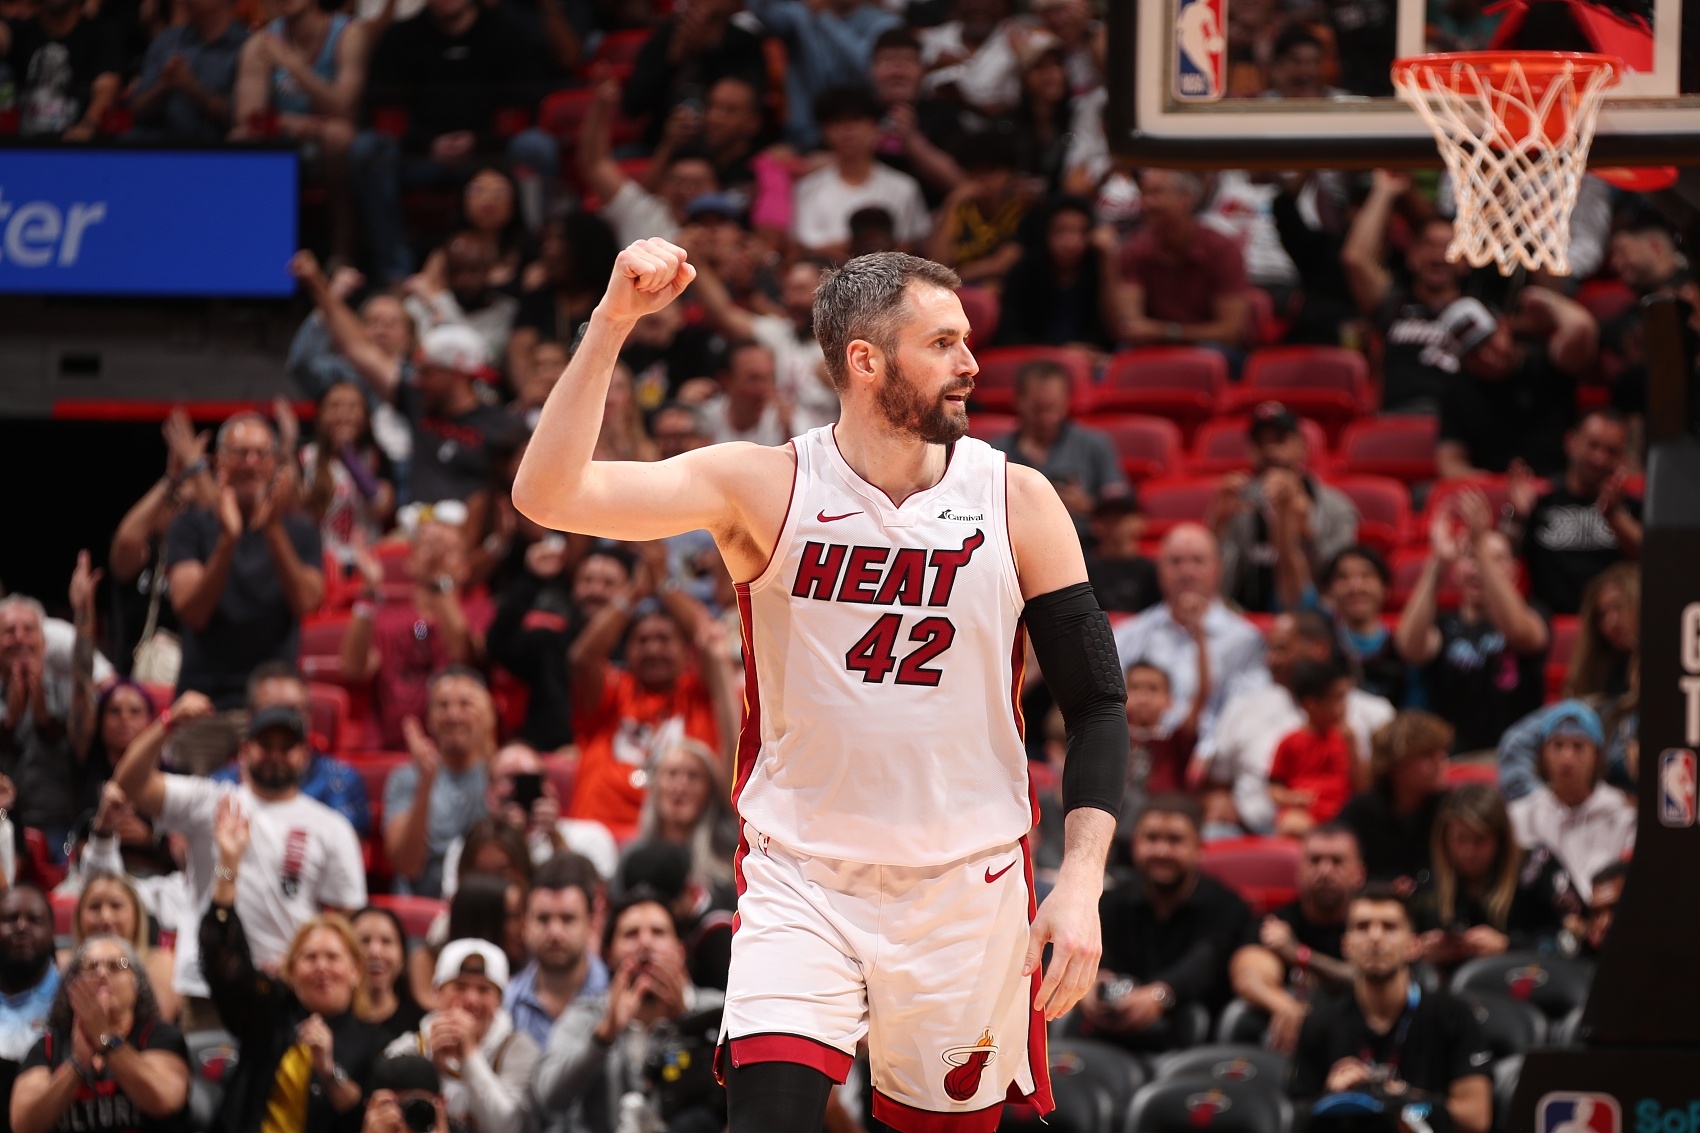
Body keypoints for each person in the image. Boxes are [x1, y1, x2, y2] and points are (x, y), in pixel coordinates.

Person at [512, 240, 1127, 1129]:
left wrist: (1081, 884)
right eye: (943, 343)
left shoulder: (1018, 500)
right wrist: (612, 321)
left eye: (965, 340)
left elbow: (1098, 701)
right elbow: (548, 493)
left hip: (967, 885)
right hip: (802, 878)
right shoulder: (766, 487)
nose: (971, 363)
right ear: (866, 361)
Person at [113, 697, 367, 1015]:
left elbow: (348, 915)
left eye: (286, 747)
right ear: (245, 750)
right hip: (206, 984)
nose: (275, 755)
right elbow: (129, 782)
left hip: (288, 988)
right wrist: (168, 723)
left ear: (304, 755)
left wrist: (304, 959)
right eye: (265, 745)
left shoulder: (331, 826)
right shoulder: (209, 800)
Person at [200, 799, 384, 1132]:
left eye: (333, 957)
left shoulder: (375, 1042)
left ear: (356, 971)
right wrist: (228, 863)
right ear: (292, 972)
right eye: (310, 958)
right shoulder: (267, 1015)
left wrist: (328, 1071)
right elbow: (222, 958)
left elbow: (367, 1120)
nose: (321, 967)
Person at [352, 0, 554, 284]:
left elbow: (522, 105)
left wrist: (479, 141)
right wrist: (429, 143)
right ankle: (394, 271)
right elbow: (384, 111)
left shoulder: (507, 32)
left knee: (536, 146)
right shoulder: (401, 36)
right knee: (368, 147)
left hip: (489, 154)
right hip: (421, 156)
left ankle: (531, 259)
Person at [164, 409, 324, 729]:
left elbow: (307, 602)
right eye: (241, 453)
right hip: (205, 704)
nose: (251, 463)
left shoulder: (301, 531)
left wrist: (273, 530)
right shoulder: (189, 526)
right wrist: (228, 540)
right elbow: (192, 611)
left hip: (275, 705)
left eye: (261, 454)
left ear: (275, 462)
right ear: (220, 461)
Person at [1288, 886, 1493, 1133]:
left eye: (1389, 927)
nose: (1375, 937)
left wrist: (1402, 1097)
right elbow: (1293, 1118)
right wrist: (1331, 1098)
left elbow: (1477, 1117)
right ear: (1346, 945)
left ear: (1414, 945)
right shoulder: (1320, 1022)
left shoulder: (1453, 1014)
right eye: (1362, 927)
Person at [564, 550, 728, 840]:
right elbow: (581, 658)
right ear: (627, 651)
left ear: (685, 651)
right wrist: (632, 593)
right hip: (598, 835)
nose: (653, 649)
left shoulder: (698, 694)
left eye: (664, 640)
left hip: (677, 839)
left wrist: (663, 583)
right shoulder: (614, 691)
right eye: (642, 641)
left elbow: (710, 637)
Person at [532, 889, 725, 1133]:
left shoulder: (716, 1013)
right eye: (631, 934)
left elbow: (731, 1099)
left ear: (680, 949)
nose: (645, 943)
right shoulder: (587, 1014)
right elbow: (547, 1098)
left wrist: (686, 1023)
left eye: (658, 932)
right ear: (608, 954)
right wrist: (604, 1035)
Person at [1200, 610, 1393, 837]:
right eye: (1269, 649)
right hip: (1256, 832)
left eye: (1281, 649)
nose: (1270, 659)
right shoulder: (1242, 708)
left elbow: (1386, 791)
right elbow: (1218, 783)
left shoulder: (1375, 713)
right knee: (1214, 834)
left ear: (1318, 649)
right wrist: (1219, 798)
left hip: (1347, 833)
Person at [1086, 797, 1252, 1051]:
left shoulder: (1227, 906)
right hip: (1112, 1037)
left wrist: (1161, 994)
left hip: (1195, 1045)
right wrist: (1090, 986)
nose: (1162, 851)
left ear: (1199, 847)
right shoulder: (1110, 901)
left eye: (1175, 840)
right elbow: (1098, 959)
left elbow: (1206, 963)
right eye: (1151, 839)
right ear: (1135, 843)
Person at [1395, 490, 1549, 753]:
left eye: (1495, 559)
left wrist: (1478, 545)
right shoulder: (1443, 624)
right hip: (1451, 758)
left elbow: (1520, 633)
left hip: (1515, 756)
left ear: (1513, 572)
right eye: (1470, 557)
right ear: (1456, 571)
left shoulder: (1534, 613)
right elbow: (1409, 647)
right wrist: (1437, 563)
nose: (1478, 568)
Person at [10, 934, 190, 1133]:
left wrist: (106, 1040)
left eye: (116, 966)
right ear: (72, 985)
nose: (102, 973)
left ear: (137, 985)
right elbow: (23, 1124)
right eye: (91, 967)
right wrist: (77, 1065)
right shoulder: (49, 1046)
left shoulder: (159, 1036)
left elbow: (165, 1101)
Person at [1114, 524, 1271, 751]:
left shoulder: (1246, 641)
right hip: (1138, 754)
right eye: (1176, 562)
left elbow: (1247, 713)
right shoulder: (1128, 635)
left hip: (1216, 760)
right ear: (1160, 570)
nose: (1187, 572)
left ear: (1218, 569)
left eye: (1198, 561)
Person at [341, 520, 493, 748]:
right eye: (428, 547)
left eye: (448, 551)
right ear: (410, 563)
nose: (436, 557)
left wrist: (440, 583)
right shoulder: (387, 617)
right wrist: (369, 591)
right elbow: (354, 668)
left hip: (457, 748)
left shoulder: (481, 610)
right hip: (390, 747)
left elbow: (463, 654)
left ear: (465, 568)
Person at [1341, 171, 1468, 413]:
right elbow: (1355, 258)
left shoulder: (1479, 310)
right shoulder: (1393, 303)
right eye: (1430, 245)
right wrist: (1384, 190)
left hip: (1457, 422)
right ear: (1412, 256)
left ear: (1466, 263)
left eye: (1449, 247)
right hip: (1397, 418)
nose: (1438, 256)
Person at [1434, 291, 1598, 480]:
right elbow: (1450, 464)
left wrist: (1548, 301)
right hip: (1499, 490)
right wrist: (1494, 486)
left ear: (1504, 326)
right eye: (1473, 353)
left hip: (1558, 486)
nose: (1486, 357)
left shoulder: (1546, 362)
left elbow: (1582, 327)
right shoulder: (1458, 389)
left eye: (1487, 340)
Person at [1214, 401, 1359, 613]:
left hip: (1312, 618)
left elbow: (1339, 578)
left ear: (1302, 447)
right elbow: (1217, 577)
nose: (1270, 449)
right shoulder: (1237, 501)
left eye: (1280, 440)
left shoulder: (1335, 506)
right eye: (1261, 442)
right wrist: (1217, 525)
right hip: (1243, 615)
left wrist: (1307, 533)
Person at [1413, 784, 1575, 974]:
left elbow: (1573, 940)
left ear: (1500, 839)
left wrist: (1509, 945)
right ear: (1445, 838)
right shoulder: (1428, 881)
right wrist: (1423, 949)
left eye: (1480, 839)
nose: (1469, 851)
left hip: (1529, 980)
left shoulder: (1537, 867)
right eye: (1460, 839)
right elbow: (1405, 941)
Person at [1229, 825, 1364, 1053]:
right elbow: (1248, 975)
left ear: (1359, 873)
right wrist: (1283, 1006)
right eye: (1315, 861)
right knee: (1240, 1016)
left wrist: (1300, 955)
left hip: (1358, 1024)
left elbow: (1367, 980)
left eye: (1337, 861)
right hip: (1292, 1028)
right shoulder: (1278, 923)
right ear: (1299, 872)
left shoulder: (1372, 924)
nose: (1325, 871)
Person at [486, 545, 631, 754]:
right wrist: (532, 579)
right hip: (548, 758)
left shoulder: (639, 649)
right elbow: (498, 645)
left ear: (628, 591)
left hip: (617, 761)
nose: (596, 591)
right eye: (587, 580)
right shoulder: (549, 641)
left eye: (608, 583)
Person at [386, 939, 540, 1133]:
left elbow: (508, 1127)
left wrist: (469, 1055)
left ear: (500, 999)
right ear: (437, 992)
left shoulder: (518, 1049)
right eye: (459, 986)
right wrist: (429, 1064)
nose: (471, 999)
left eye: (484, 989)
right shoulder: (408, 1048)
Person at [210, 661, 373, 836]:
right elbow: (206, 849)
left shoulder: (339, 782)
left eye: (294, 710)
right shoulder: (222, 786)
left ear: (309, 718)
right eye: (271, 710)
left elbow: (344, 845)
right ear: (250, 718)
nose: (282, 718)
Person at [1507, 409, 1642, 616]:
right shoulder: (1541, 503)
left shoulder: (1629, 507)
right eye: (1593, 445)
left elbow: (1653, 561)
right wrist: (1516, 517)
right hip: (1546, 621)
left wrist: (1614, 517)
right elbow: (1504, 556)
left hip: (1612, 621)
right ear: (1571, 442)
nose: (1599, 458)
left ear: (1622, 457)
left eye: (1612, 451)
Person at [384, 667, 499, 898]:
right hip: (421, 902)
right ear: (430, 718)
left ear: (487, 714)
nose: (453, 716)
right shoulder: (405, 778)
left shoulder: (500, 775)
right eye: (443, 706)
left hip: (484, 902)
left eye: (465, 705)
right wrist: (426, 781)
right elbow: (406, 865)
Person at [1506, 701, 1635, 906]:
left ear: (1597, 755)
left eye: (1578, 746)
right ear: (1542, 754)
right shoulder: (1519, 816)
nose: (1567, 758)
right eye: (1557, 746)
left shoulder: (1623, 814)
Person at [0, 590, 100, 852]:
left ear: (43, 643)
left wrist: (44, 719)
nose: (19, 638)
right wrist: (10, 721)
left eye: (28, 630)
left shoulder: (69, 691)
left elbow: (81, 748)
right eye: (9, 631)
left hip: (60, 826)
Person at [440, 743, 619, 884]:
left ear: (549, 787)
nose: (516, 790)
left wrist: (556, 840)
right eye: (507, 779)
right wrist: (509, 839)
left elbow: (594, 901)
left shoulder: (590, 837)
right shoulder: (466, 849)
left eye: (527, 781)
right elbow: (461, 909)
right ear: (489, 794)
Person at [1119, 169, 1250, 359]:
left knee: (1211, 353)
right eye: (1143, 194)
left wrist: (1167, 332)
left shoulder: (1222, 249)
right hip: (1156, 347)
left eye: (1156, 193)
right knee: (1124, 355)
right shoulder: (1136, 249)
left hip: (1211, 350)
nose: (1146, 203)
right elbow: (1132, 325)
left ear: (1186, 198)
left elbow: (1230, 333)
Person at [792, 85, 932, 259]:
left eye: (856, 120)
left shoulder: (904, 187)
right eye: (837, 122)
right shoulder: (807, 188)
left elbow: (909, 246)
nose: (847, 131)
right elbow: (803, 248)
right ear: (824, 131)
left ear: (877, 128)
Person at [991, 361, 1128, 534]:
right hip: (1017, 543)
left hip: (1084, 543)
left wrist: (1086, 505)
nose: (1046, 418)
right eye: (1038, 409)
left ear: (1066, 402)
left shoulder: (1095, 445)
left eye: (1053, 408)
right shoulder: (995, 453)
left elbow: (1122, 508)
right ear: (1019, 402)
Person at [747, 0, 899, 147]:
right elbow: (762, 10)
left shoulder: (883, 22)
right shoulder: (799, 14)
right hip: (803, 138)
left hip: (861, 139)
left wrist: (824, 18)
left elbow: (868, 66)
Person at [620, 0, 767, 150]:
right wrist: (672, 61)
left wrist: (708, 51)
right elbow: (633, 106)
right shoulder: (666, 36)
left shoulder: (745, 43)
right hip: (661, 144)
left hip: (722, 150)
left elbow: (750, 107)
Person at [993, 196, 1130, 352]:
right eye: (1061, 231)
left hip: (1088, 359)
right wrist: (1058, 351)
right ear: (1045, 233)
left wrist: (1106, 260)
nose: (1070, 242)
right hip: (1033, 357)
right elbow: (1008, 335)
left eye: (1080, 231)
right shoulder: (1024, 271)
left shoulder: (1097, 270)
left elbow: (1116, 332)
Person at [1337, 711, 1453, 888]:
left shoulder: (1452, 807)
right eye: (1427, 755)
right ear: (1395, 765)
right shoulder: (1360, 812)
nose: (1441, 761)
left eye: (1441, 752)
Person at [505, 853, 606, 1048]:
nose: (555, 933)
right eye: (543, 919)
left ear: (591, 923)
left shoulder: (614, 996)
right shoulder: (506, 1004)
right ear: (525, 924)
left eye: (567, 919)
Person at [299, 382, 396, 575]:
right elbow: (303, 514)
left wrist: (349, 459)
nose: (343, 414)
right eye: (334, 406)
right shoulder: (305, 457)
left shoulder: (376, 458)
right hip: (320, 561)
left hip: (366, 561)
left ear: (366, 418)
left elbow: (381, 507)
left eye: (353, 407)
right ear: (320, 416)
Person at [128, 0, 248, 143]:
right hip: (159, 145)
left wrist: (191, 87)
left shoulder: (245, 47)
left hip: (217, 148)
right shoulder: (166, 41)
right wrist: (163, 85)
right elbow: (137, 110)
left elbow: (237, 117)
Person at [0, 0, 121, 140]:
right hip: (21, 145)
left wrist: (88, 125)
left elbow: (106, 88)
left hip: (74, 144)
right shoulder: (21, 29)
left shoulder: (100, 34)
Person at [69, 874, 178, 1025]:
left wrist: (103, 1035)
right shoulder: (64, 964)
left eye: (116, 906)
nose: (105, 917)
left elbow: (157, 1025)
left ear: (136, 914)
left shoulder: (161, 962)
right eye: (94, 907)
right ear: (78, 917)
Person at [628, 738, 736, 890]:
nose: (680, 788)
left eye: (693, 776)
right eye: (672, 774)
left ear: (711, 791)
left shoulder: (734, 856)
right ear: (655, 787)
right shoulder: (632, 858)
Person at [1267, 660, 1360, 836]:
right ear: (1311, 705)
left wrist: (1353, 745)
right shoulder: (1289, 742)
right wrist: (1291, 798)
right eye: (1337, 698)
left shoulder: (1346, 739)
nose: (1345, 705)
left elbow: (1361, 786)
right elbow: (1274, 789)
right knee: (1292, 825)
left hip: (1343, 815)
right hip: (1304, 815)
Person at [1322, 545, 1411, 707]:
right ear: (1329, 591)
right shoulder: (1320, 644)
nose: (1355, 587)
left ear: (1385, 588)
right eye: (1343, 578)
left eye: (1366, 576)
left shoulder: (1404, 647)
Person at [0, 887, 62, 1111]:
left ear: (52, 931)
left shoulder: (72, 997)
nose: (21, 927)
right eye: (10, 918)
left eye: (34, 920)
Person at [1123, 656, 1204, 823]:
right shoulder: (1113, 736)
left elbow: (1203, 694)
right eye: (1135, 687)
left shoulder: (1175, 740)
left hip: (1163, 819)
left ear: (1168, 700)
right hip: (1121, 817)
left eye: (1152, 689)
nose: (1143, 697)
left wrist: (1200, 643)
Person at [353, 906, 428, 1045]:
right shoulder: (329, 1022)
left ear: (403, 957)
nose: (375, 951)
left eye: (386, 941)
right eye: (364, 940)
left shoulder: (423, 1027)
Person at [1565, 563, 1638, 700]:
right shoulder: (1602, 667)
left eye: (1619, 606)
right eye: (1601, 614)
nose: (1610, 622)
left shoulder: (1661, 662)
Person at [697, 341, 789, 446]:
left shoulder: (785, 424)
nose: (765, 389)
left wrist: (788, 432)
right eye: (754, 379)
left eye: (770, 378)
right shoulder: (704, 420)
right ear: (725, 380)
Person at [1085, 485, 1160, 615]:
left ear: (1141, 521)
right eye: (1107, 517)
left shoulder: (1154, 572)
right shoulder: (1084, 572)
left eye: (1122, 516)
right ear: (1095, 525)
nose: (1115, 523)